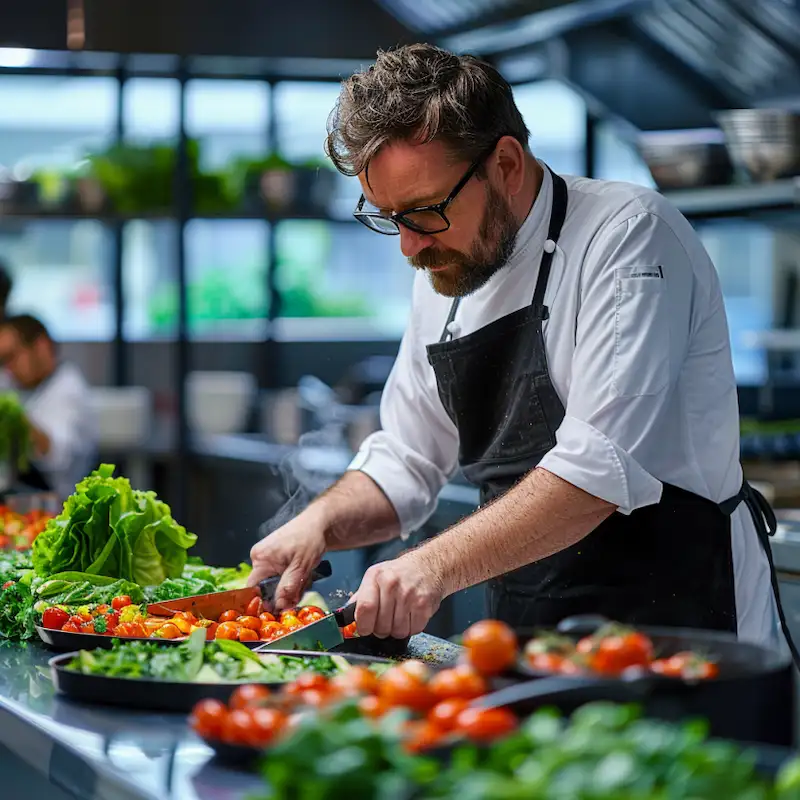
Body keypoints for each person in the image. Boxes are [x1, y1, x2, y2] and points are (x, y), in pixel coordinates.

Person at [249, 44, 788, 655]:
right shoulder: (445, 262)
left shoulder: (629, 237)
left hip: (679, 631)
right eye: (388, 217)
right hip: (528, 639)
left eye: (423, 212)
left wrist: (430, 567)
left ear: (505, 163)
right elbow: (407, 457)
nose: (407, 247)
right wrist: (319, 522)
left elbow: (594, 473)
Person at [0, 314, 97, 500]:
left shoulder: (69, 390)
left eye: (11, 357)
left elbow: (55, 455)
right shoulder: (17, 385)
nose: (8, 369)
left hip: (58, 506)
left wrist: (15, 417)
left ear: (41, 347)